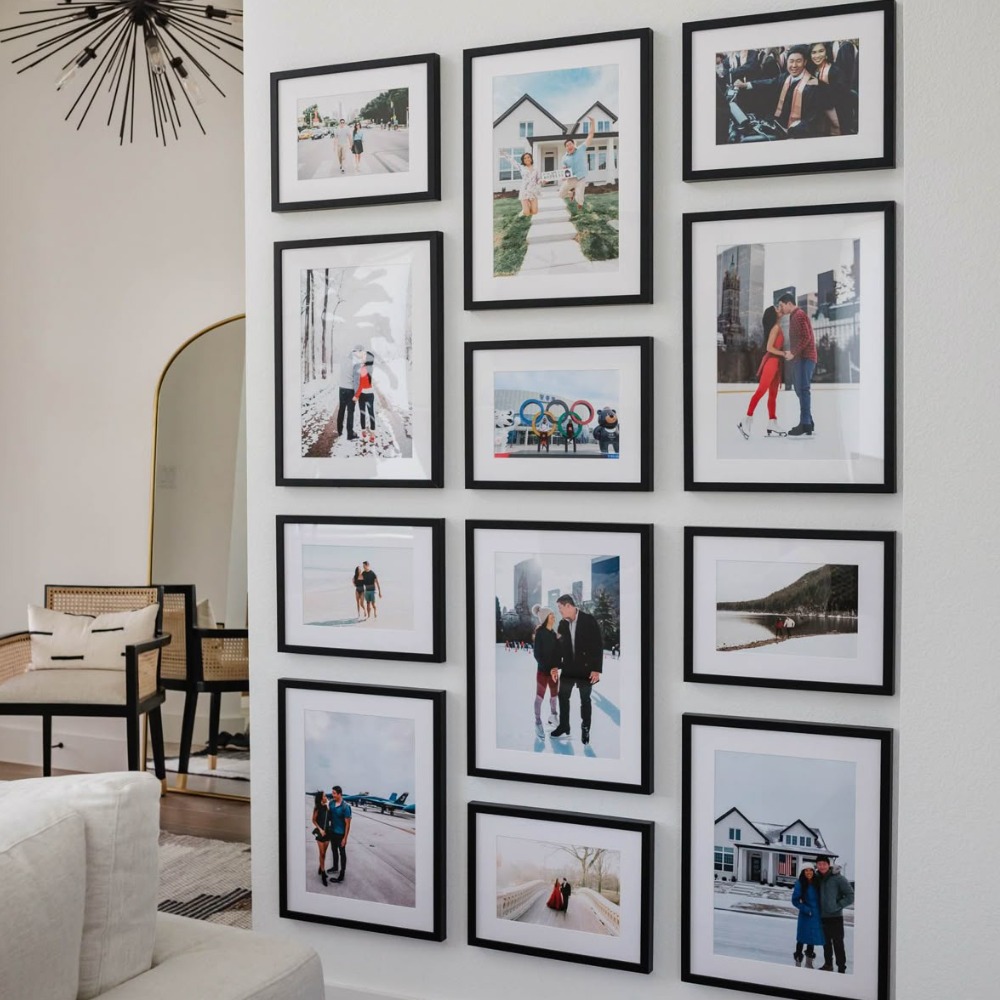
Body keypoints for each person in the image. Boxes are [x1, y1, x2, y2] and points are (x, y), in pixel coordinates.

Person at [733, 45, 825, 138]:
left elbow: (813, 119)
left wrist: (794, 130)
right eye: (791, 61)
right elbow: (769, 82)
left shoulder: (814, 85)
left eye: (798, 61)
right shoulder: (785, 77)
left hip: (799, 133)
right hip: (779, 127)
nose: (794, 65)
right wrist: (746, 85)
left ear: (805, 62)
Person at [551, 594, 603, 745]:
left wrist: (596, 669)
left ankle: (585, 728)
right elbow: (558, 647)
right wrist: (555, 665)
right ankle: (564, 725)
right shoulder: (562, 624)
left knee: (585, 700)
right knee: (563, 697)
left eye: (560, 608)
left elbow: (597, 645)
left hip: (585, 669)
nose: (559, 611)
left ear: (568, 606)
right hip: (568, 668)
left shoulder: (588, 620)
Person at [738, 305, 792, 440]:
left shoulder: (777, 327)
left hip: (776, 363)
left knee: (773, 395)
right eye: (777, 309)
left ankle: (772, 422)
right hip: (771, 362)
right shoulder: (775, 328)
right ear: (773, 315)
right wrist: (783, 353)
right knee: (761, 391)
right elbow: (769, 348)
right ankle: (746, 420)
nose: (779, 309)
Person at [776, 292, 818, 437]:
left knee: (803, 389)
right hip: (801, 358)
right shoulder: (795, 316)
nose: (781, 308)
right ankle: (808, 421)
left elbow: (806, 336)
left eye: (781, 305)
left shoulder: (798, 315)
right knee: (799, 389)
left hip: (806, 358)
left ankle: (805, 424)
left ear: (789, 303)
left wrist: (793, 352)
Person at [814, 855, 854, 973]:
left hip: (835, 918)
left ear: (828, 865)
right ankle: (828, 964)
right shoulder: (816, 878)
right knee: (825, 943)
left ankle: (841, 967)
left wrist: (837, 906)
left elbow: (850, 896)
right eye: (819, 864)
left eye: (824, 864)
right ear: (817, 865)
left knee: (838, 944)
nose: (822, 866)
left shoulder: (838, 878)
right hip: (822, 917)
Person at [808, 41, 854, 136]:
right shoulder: (814, 70)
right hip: (821, 116)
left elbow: (842, 93)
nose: (817, 55)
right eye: (814, 52)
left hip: (838, 114)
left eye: (821, 51)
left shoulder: (835, 70)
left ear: (826, 53)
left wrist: (819, 83)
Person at [531, 604, 561, 740]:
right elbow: (537, 654)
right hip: (543, 672)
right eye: (551, 615)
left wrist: (556, 667)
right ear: (545, 618)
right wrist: (549, 668)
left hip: (553, 673)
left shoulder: (554, 634)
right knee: (539, 697)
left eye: (554, 615)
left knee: (554, 696)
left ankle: (553, 716)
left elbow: (558, 655)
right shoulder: (540, 633)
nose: (554, 617)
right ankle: (538, 722)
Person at [558, 115, 596, 211]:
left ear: (574, 144)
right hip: (571, 179)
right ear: (565, 148)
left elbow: (590, 135)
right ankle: (571, 193)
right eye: (567, 145)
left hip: (581, 177)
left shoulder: (581, 149)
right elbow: (564, 169)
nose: (569, 146)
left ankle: (579, 205)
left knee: (579, 198)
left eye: (570, 144)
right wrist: (564, 176)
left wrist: (592, 122)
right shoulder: (564, 158)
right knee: (560, 194)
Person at [791, 866, 824, 965]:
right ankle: (798, 959)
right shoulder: (800, 883)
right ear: (803, 872)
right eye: (806, 870)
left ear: (813, 872)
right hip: (805, 915)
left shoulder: (817, 882)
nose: (809, 872)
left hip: (816, 915)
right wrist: (806, 909)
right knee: (802, 937)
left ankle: (809, 962)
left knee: (811, 937)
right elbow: (795, 900)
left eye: (810, 870)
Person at [325, 785, 352, 883]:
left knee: (342, 853)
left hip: (341, 834)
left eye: (334, 793)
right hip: (333, 832)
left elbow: (348, 824)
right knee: (334, 850)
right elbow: (328, 815)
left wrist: (345, 838)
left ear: (340, 794)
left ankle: (342, 873)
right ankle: (335, 867)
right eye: (332, 793)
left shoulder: (345, 807)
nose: (333, 795)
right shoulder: (331, 803)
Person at [336, 345, 360, 442]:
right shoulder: (356, 363)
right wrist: (357, 394)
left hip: (341, 388)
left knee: (341, 409)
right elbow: (356, 381)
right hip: (350, 390)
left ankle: (339, 430)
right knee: (350, 412)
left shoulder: (343, 360)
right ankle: (350, 434)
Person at [353, 349, 376, 443]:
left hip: (363, 395)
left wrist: (356, 396)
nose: (362, 356)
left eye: (364, 356)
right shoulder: (370, 367)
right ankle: (372, 434)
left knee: (363, 413)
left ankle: (364, 432)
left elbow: (361, 384)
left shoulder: (364, 368)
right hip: (370, 394)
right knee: (371, 414)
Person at [311, 790, 330, 886]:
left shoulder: (327, 807)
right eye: (324, 796)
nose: (326, 797)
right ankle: (323, 873)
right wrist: (320, 829)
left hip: (328, 833)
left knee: (324, 853)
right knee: (322, 853)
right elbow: (313, 820)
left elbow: (330, 818)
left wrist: (328, 806)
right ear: (321, 798)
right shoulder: (317, 808)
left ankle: (320, 867)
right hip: (320, 833)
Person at [517, 151, 541, 217]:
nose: (527, 159)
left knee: (535, 212)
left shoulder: (536, 169)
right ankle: (524, 209)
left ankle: (528, 206)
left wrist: (541, 181)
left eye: (528, 157)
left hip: (533, 191)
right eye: (525, 158)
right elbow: (512, 161)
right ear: (523, 160)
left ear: (531, 158)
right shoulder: (521, 167)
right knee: (527, 213)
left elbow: (538, 179)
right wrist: (504, 153)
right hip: (524, 191)